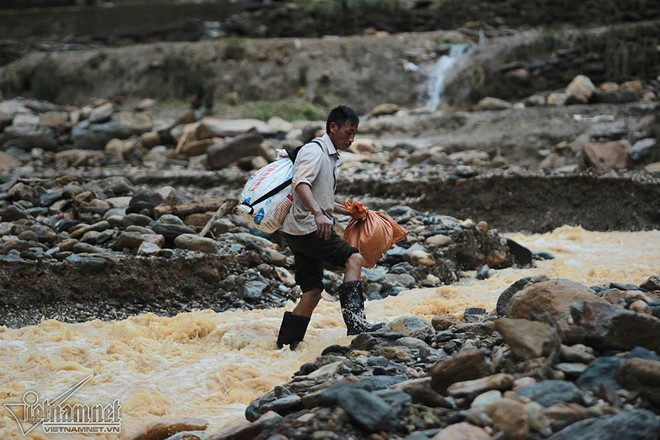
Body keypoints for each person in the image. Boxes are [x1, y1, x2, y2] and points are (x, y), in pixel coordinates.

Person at [276, 105, 383, 350]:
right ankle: (356, 327)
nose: (352, 138)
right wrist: (317, 214)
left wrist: (347, 211)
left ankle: (285, 347)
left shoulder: (329, 154)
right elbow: (300, 184)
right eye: (348, 132)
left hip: (298, 230)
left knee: (312, 291)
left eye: (355, 133)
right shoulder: (315, 152)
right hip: (308, 229)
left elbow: (318, 196)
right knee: (354, 258)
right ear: (332, 127)